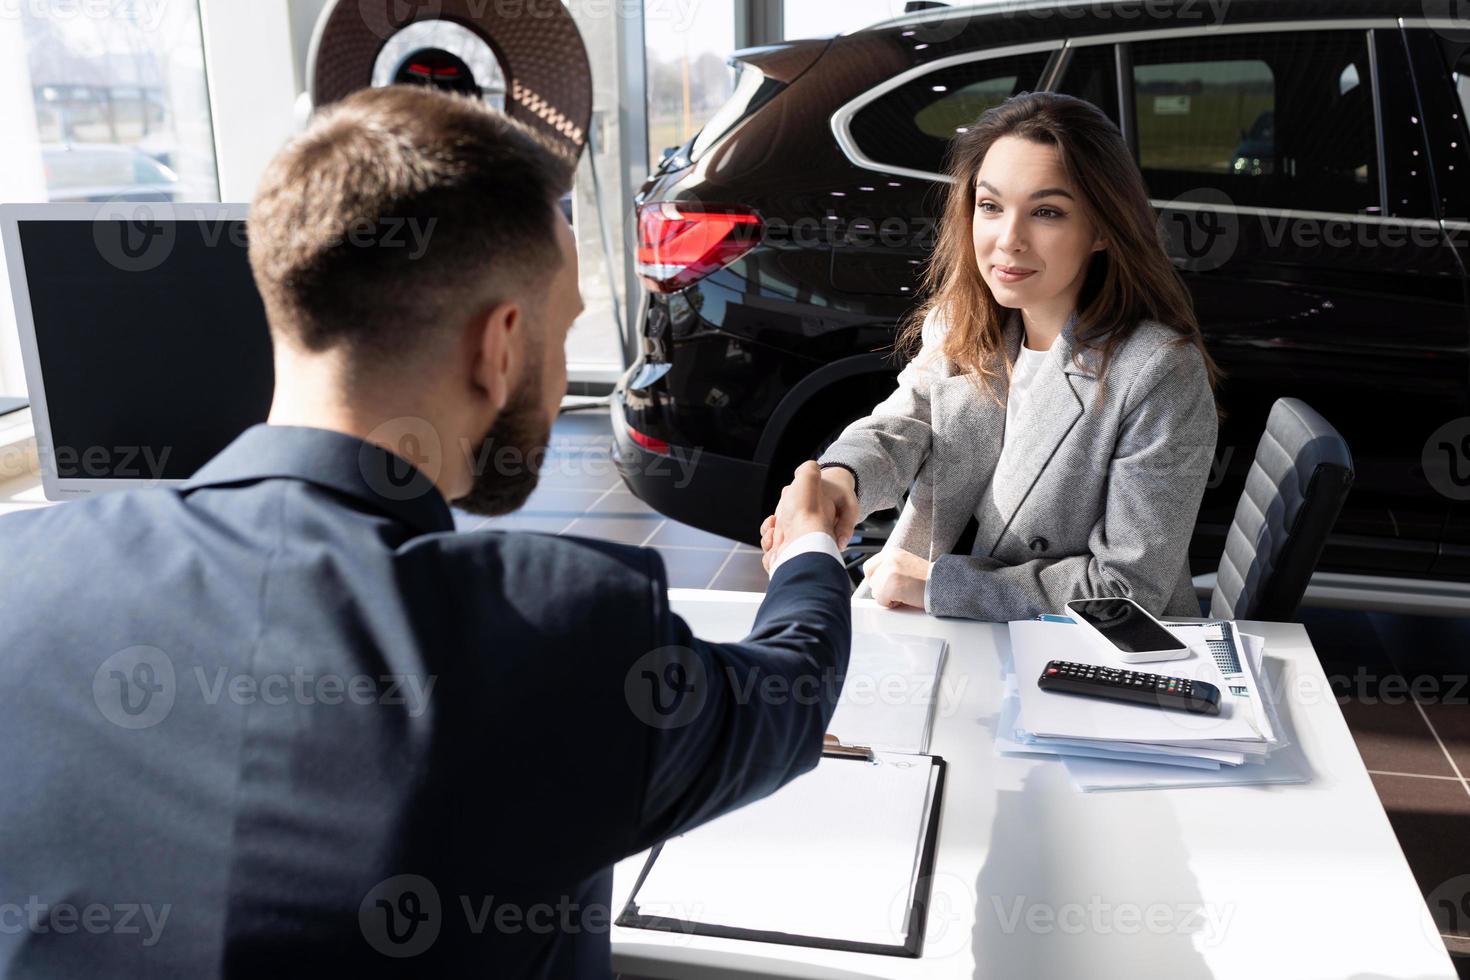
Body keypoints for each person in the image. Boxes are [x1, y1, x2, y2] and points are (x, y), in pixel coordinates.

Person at [0, 86, 852, 977]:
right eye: (560, 337)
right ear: (499, 348)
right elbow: (789, 696)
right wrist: (807, 550)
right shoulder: (563, 630)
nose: (560, 380)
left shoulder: (16, 577)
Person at [761, 92, 1222, 621]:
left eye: (1046, 212)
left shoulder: (1157, 371)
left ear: (1101, 228)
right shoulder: (968, 321)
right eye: (990, 206)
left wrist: (938, 586)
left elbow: (1125, 588)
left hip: (1080, 660)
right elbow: (900, 424)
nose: (1009, 239)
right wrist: (841, 482)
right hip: (938, 629)